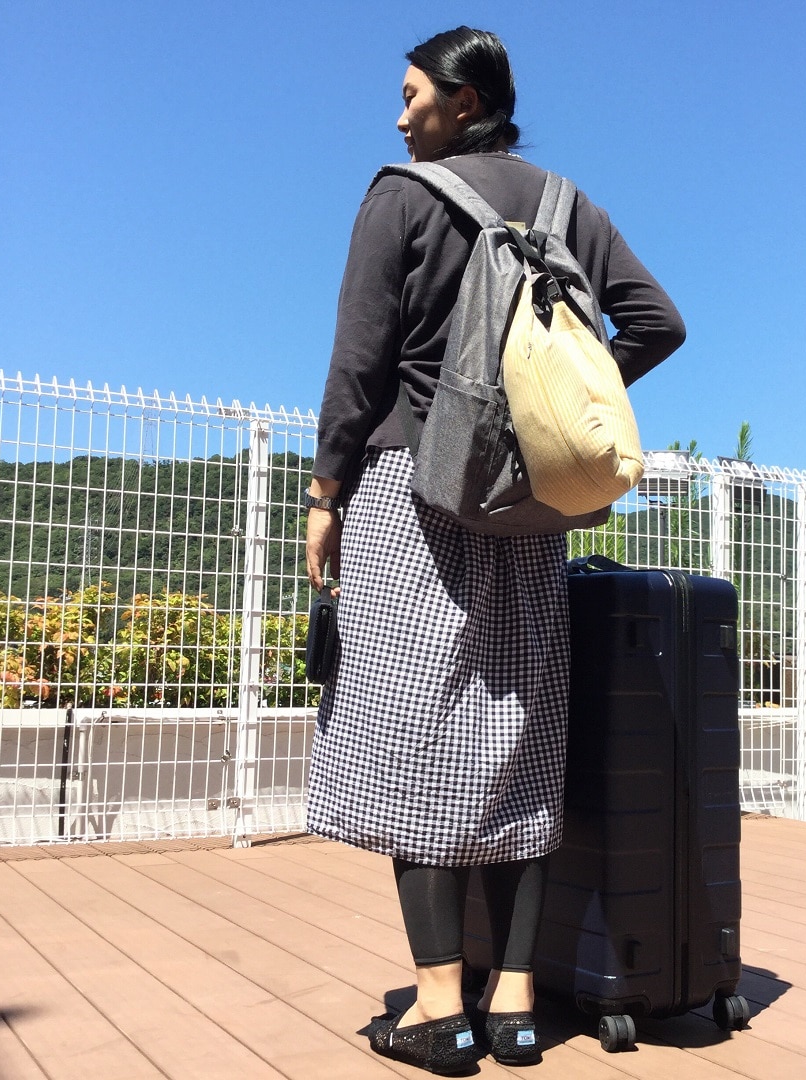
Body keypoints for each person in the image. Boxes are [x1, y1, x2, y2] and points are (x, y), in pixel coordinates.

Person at [303, 26, 685, 1074]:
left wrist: (325, 491)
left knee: (410, 731)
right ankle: (514, 1005)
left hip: (411, 496)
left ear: (464, 102)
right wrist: (551, 403)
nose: (399, 117)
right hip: (527, 505)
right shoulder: (566, 205)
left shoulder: (400, 196)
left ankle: (440, 1008)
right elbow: (657, 322)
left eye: (412, 95)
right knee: (519, 731)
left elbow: (358, 364)